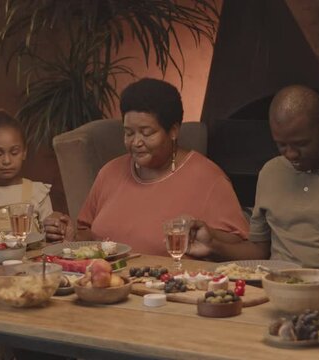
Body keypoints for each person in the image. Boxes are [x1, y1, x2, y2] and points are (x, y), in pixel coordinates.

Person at [188, 85, 319, 267]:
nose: (291, 154)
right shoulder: (271, 172)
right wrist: (214, 247)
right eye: (281, 145)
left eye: (302, 143)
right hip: (273, 288)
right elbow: (259, 251)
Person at [46, 78, 249, 258]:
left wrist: (211, 238)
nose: (136, 142)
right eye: (129, 133)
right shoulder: (110, 172)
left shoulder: (208, 178)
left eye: (146, 132)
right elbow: (88, 233)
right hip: (109, 283)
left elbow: (238, 244)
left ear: (174, 130)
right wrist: (70, 234)